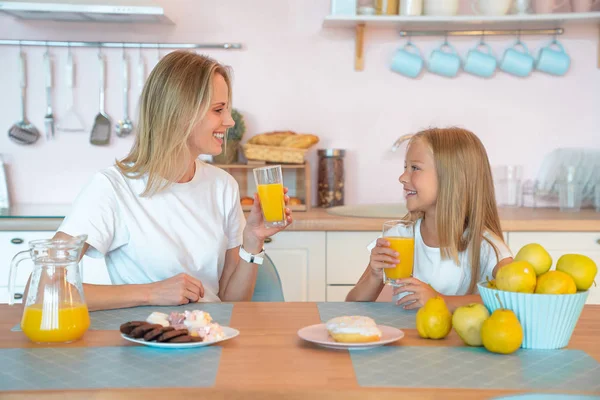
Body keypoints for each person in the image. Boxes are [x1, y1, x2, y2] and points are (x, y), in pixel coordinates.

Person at [36, 51, 292, 311]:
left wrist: (252, 240)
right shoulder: (112, 188)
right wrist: (151, 293)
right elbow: (43, 289)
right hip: (147, 342)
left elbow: (232, 302)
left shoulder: (223, 185)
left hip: (211, 338)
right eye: (218, 110)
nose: (229, 121)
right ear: (180, 113)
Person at [346, 127, 513, 311]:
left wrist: (441, 301)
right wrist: (375, 276)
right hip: (405, 337)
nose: (402, 177)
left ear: (451, 178)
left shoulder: (485, 245)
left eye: (415, 168)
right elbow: (351, 305)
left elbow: (513, 298)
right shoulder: (399, 236)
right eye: (405, 168)